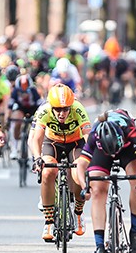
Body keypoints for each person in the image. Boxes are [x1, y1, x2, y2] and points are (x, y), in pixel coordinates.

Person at [75, 109, 136, 253]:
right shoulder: (95, 135)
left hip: (126, 150)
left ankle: (134, 231)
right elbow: (81, 165)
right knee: (97, 191)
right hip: (102, 151)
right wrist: (85, 187)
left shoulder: (129, 130)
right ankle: (99, 246)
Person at [29, 84, 91, 241]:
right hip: (52, 143)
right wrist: (37, 158)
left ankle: (78, 213)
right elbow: (36, 138)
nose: (62, 113)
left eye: (65, 109)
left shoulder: (78, 108)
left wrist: (90, 157)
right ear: (51, 106)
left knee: (78, 173)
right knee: (48, 172)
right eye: (57, 109)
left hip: (75, 143)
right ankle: (49, 221)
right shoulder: (44, 110)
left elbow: (88, 136)